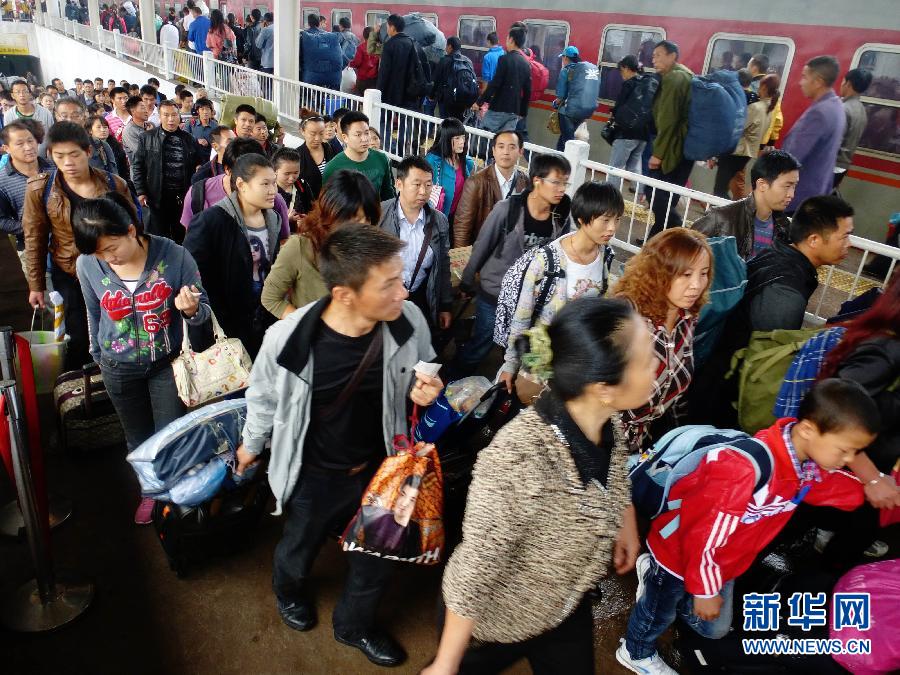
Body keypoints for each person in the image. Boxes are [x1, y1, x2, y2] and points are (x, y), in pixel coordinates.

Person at [234, 223, 442, 668]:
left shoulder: (408, 322)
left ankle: (354, 625)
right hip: (311, 474)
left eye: (401, 279)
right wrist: (251, 445)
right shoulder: (288, 341)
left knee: (376, 557)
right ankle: (289, 591)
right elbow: (264, 398)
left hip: (380, 472)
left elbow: (425, 362)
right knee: (300, 543)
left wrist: (427, 387)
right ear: (345, 293)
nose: (403, 292)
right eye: (389, 284)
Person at [423, 298, 649, 675]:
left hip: (563, 607)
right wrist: (446, 664)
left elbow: (615, 475)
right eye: (645, 361)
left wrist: (625, 523)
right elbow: (476, 567)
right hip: (491, 622)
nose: (656, 369)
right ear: (603, 387)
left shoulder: (607, 424)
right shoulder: (520, 458)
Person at [616, 379, 879, 675]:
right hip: (679, 555)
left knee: (713, 629)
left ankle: (657, 580)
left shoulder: (806, 469)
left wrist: (874, 490)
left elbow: (839, 490)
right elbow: (702, 535)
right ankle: (636, 650)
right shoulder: (741, 470)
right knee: (657, 612)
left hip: (725, 563)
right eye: (845, 450)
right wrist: (705, 590)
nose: (848, 461)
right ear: (807, 430)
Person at [72, 192, 210, 524]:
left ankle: (173, 492)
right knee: (137, 436)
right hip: (117, 366)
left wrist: (191, 310)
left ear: (132, 230)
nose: (106, 258)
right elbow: (94, 313)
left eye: (111, 248)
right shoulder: (87, 264)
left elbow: (203, 310)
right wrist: (98, 355)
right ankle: (150, 491)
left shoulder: (175, 257)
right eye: (98, 253)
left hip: (166, 362)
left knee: (169, 433)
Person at [692, 195, 855, 429]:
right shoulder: (785, 291)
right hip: (726, 395)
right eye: (844, 236)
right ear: (814, 240)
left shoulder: (779, 255)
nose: (849, 244)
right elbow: (766, 361)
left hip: (719, 379)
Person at [22, 122, 135, 371]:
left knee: (118, 327)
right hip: (69, 273)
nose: (68, 163)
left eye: (74, 155)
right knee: (78, 334)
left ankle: (118, 376)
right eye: (60, 156)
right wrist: (36, 285)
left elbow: (134, 230)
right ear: (50, 155)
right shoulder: (41, 189)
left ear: (87, 152)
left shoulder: (114, 184)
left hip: (112, 271)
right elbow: (34, 238)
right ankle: (82, 387)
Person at [454, 154, 572, 376]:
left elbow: (563, 253)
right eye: (556, 182)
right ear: (537, 180)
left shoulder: (561, 215)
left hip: (531, 297)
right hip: (495, 292)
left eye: (565, 183)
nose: (561, 189)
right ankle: (454, 381)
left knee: (520, 350)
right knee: (482, 344)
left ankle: (505, 389)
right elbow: (482, 245)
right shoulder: (507, 209)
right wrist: (467, 281)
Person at [811, 275, 900, 566]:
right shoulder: (886, 351)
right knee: (833, 560)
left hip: (868, 475)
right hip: (851, 473)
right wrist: (872, 478)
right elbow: (834, 409)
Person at [500, 182, 622, 394]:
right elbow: (522, 316)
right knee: (529, 410)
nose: (612, 228)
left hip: (575, 363)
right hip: (539, 360)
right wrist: (511, 365)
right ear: (583, 219)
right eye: (605, 220)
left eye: (617, 220)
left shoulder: (605, 256)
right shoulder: (545, 261)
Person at [613, 228, 711, 453]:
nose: (696, 284)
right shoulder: (626, 316)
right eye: (686, 274)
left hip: (634, 450)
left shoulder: (687, 318)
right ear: (658, 272)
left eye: (703, 273)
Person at [184, 153, 280, 358]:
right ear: (241, 184)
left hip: (265, 316)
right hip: (229, 324)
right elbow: (195, 275)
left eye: (274, 183)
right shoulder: (211, 221)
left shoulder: (273, 218)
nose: (273, 190)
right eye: (265, 184)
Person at [262, 169, 381, 319]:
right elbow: (270, 298)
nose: (364, 227)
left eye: (368, 219)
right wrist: (309, 326)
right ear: (330, 214)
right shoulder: (300, 247)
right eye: (355, 220)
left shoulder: (372, 249)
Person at [378, 155, 452, 332]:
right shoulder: (379, 214)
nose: (423, 191)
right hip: (385, 297)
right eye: (417, 184)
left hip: (421, 296)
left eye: (428, 185)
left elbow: (443, 264)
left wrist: (445, 305)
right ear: (399, 184)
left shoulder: (439, 221)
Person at [693, 149, 800, 260]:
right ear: (762, 184)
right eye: (787, 186)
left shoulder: (784, 228)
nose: (791, 194)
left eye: (794, 186)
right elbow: (686, 254)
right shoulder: (720, 218)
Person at [180, 137, 291, 241]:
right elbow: (190, 242)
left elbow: (282, 243)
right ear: (227, 170)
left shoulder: (273, 201)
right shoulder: (198, 194)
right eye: (245, 174)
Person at [132, 99, 203, 243]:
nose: (170, 119)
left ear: (179, 116)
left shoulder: (189, 139)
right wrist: (141, 191)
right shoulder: (147, 138)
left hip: (182, 195)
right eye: (166, 115)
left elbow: (198, 164)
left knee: (181, 233)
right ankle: (160, 264)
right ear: (159, 116)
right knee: (159, 235)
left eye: (174, 115)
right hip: (157, 194)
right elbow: (138, 166)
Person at [643, 40, 693, 240]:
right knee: (668, 197)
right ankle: (656, 241)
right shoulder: (686, 74)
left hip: (673, 148)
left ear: (673, 56)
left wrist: (657, 154)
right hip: (684, 148)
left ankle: (674, 226)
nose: (654, 60)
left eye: (659, 55)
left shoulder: (673, 79)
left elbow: (668, 120)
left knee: (654, 192)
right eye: (653, 56)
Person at [782, 56, 845, 212]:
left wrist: (762, 186)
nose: (800, 82)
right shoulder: (837, 107)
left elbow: (791, 158)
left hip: (797, 197)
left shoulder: (818, 113)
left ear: (818, 82)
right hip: (816, 193)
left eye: (804, 77)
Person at [453, 129, 528, 248]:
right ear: (493, 151)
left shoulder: (524, 182)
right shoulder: (476, 182)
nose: (506, 152)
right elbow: (462, 227)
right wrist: (464, 259)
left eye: (512, 147)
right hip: (483, 253)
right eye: (501, 147)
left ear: (520, 152)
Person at [712, 74, 778, 199]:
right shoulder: (769, 110)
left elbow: (738, 128)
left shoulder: (755, 108)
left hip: (736, 152)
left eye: (760, 85)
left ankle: (731, 214)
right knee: (724, 186)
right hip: (747, 154)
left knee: (719, 190)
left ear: (764, 87)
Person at [0, 121, 54, 275]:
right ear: (6, 149)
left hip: (66, 243)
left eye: (31, 141)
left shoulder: (54, 168)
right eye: (20, 144)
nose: (28, 147)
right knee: (46, 294)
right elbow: (1, 220)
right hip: (32, 248)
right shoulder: (2, 181)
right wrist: (31, 228)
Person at [322, 111, 394, 200]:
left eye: (367, 133)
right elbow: (328, 204)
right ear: (345, 137)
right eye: (358, 134)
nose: (364, 139)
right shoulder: (333, 167)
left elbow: (388, 195)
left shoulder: (382, 159)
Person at [473, 25, 531, 133]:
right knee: (504, 140)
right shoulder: (526, 63)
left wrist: (479, 102)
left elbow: (495, 84)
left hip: (499, 108)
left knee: (483, 136)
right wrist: (523, 112)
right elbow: (527, 91)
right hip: (514, 111)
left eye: (507, 39)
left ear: (512, 40)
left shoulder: (504, 59)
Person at [348, 475, 422, 559]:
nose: (404, 503)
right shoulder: (376, 517)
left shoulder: (415, 530)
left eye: (412, 500)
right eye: (402, 494)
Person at [609, 55, 653, 187]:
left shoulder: (629, 84)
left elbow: (619, 108)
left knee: (615, 167)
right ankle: (640, 195)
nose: (621, 75)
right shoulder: (646, 83)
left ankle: (611, 197)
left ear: (626, 68)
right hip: (643, 134)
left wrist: (613, 114)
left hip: (626, 133)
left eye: (621, 71)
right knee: (634, 168)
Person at [424, 118, 475, 226]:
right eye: (457, 138)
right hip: (433, 220)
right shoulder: (431, 161)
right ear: (446, 139)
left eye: (463, 137)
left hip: (456, 219)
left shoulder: (467, 162)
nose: (462, 142)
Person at [54, 97, 119, 177]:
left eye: (75, 116)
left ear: (83, 116)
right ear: (57, 116)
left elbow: (114, 178)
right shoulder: (52, 148)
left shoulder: (101, 146)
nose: (70, 120)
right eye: (64, 116)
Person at [553, 46, 600, 151]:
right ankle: (558, 162)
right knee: (565, 140)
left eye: (562, 58)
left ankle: (565, 165)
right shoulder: (582, 72)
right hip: (582, 113)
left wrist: (555, 103)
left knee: (568, 143)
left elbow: (560, 97)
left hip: (566, 113)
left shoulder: (565, 71)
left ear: (565, 57)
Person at [833, 68, 874, 190]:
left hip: (832, 165)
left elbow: (834, 143)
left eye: (842, 81)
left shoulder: (844, 109)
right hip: (843, 166)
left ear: (848, 84)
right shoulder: (861, 109)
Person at [430, 37, 476, 122]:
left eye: (446, 46)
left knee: (446, 124)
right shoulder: (467, 61)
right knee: (458, 123)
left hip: (446, 100)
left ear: (450, 46)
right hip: (463, 99)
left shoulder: (444, 61)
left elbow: (436, 81)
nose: (445, 48)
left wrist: (431, 96)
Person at [299, 13, 342, 89]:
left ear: (308, 23)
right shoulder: (330, 36)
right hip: (332, 77)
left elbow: (300, 55)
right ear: (319, 23)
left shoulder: (304, 36)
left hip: (311, 76)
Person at [86, 115, 130, 189]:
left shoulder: (115, 145)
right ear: (90, 130)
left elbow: (123, 169)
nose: (103, 130)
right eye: (99, 127)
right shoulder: (87, 147)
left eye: (105, 127)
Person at [349, 26, 380, 94]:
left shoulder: (361, 47)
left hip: (363, 79)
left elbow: (357, 63)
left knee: (361, 99)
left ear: (364, 36)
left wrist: (350, 64)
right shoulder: (378, 47)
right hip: (374, 79)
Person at [186, 97, 217, 163]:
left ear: (211, 111)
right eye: (202, 109)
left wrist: (209, 144)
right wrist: (197, 141)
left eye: (208, 109)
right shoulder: (190, 124)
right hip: (193, 160)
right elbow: (184, 139)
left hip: (210, 160)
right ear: (198, 111)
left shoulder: (216, 126)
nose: (205, 112)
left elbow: (218, 145)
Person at [121, 96, 149, 167]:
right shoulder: (129, 131)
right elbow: (142, 153)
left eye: (146, 107)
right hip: (140, 173)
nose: (146, 110)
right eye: (142, 108)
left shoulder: (150, 126)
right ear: (133, 111)